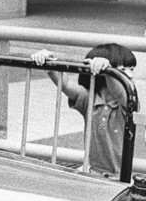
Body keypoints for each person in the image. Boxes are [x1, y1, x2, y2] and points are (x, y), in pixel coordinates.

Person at [30, 43, 137, 175]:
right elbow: (66, 84)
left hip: (120, 177)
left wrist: (109, 72)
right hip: (92, 172)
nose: (130, 75)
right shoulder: (89, 99)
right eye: (123, 70)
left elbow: (120, 93)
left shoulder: (129, 102)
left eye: (132, 69)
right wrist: (48, 63)